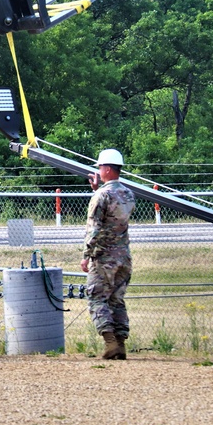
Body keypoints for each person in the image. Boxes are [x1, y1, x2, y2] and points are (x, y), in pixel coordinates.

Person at [81, 148, 136, 360]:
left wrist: (86, 255)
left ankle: (110, 342)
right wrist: (97, 190)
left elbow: (94, 228)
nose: (99, 171)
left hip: (104, 257)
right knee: (117, 300)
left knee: (96, 297)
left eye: (100, 168)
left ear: (106, 169)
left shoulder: (101, 195)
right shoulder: (128, 194)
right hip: (123, 256)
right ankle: (120, 345)